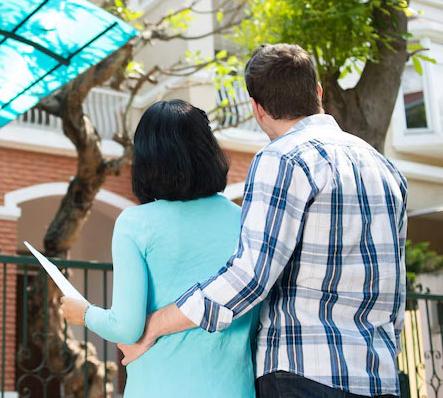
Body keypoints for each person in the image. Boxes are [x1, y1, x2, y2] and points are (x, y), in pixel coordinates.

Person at [109, 44, 407, 398]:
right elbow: (395, 287)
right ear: (318, 92)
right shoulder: (386, 168)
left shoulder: (283, 159)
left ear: (257, 108)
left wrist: (156, 324)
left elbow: (249, 277)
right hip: (379, 376)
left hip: (302, 373)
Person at [61, 99, 259, 397]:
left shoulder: (136, 223)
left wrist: (84, 313)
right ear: (208, 150)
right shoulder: (244, 219)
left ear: (147, 158)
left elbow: (126, 327)